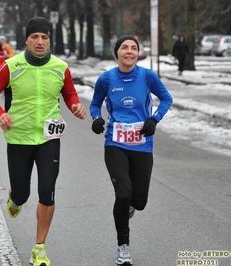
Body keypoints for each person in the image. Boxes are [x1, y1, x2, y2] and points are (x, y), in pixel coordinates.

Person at [0, 16, 87, 266]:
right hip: (19, 138)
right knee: (22, 193)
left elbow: (70, 92)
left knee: (47, 192)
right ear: (26, 40)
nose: (40, 42)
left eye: (44, 37)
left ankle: (39, 247)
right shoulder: (11, 65)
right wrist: (0, 114)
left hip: (49, 138)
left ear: (49, 40)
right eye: (34, 37)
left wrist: (75, 106)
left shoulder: (60, 67)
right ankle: (15, 198)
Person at [90, 35, 173, 265]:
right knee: (123, 194)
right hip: (115, 143)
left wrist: (154, 120)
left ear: (137, 53)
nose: (129, 51)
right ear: (116, 52)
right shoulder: (106, 79)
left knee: (139, 201)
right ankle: (123, 247)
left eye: (133, 48)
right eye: (124, 48)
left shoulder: (147, 76)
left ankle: (129, 207)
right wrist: (96, 118)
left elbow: (166, 99)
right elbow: (95, 103)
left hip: (142, 145)